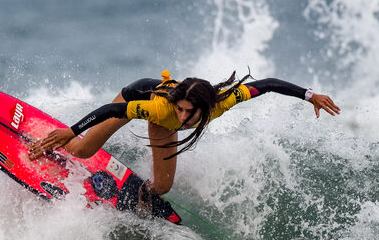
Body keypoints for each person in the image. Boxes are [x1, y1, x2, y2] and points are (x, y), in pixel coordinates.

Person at [29, 70, 340, 199]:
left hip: (166, 110)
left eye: (189, 112)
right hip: (137, 95)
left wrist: (309, 95)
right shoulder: (163, 110)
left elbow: (269, 84)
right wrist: (70, 130)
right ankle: (46, 139)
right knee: (83, 150)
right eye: (180, 109)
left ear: (204, 107)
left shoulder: (222, 103)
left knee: (162, 187)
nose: (183, 117)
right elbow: (110, 111)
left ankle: (136, 198)